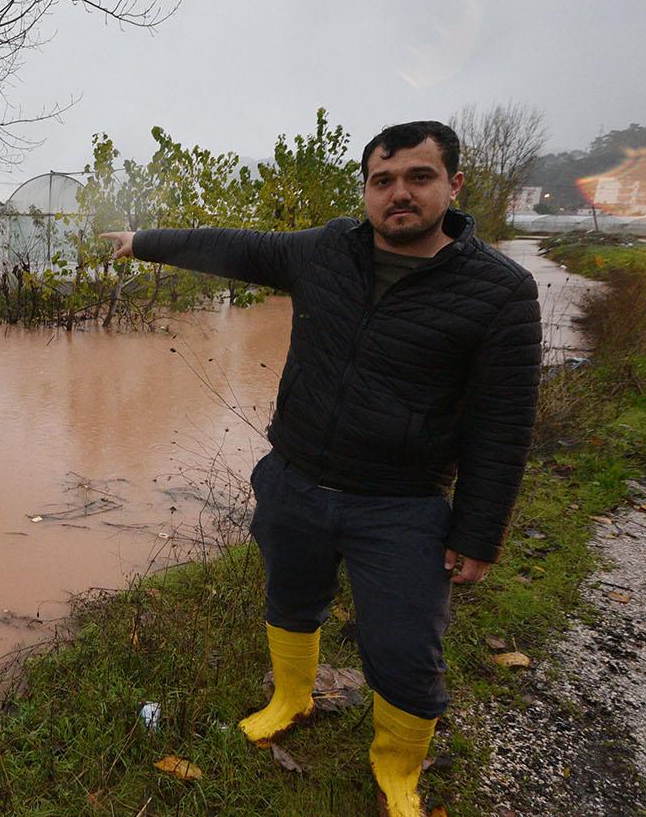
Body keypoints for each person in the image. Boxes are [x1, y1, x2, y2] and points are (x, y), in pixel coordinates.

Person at [102, 121, 541, 815]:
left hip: (401, 503)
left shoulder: (501, 291)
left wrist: (479, 532)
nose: (399, 194)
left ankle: (398, 770)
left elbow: (504, 423)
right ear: (366, 189)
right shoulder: (326, 250)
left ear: (452, 186)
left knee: (402, 648)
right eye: (383, 180)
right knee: (290, 599)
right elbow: (234, 247)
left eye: (418, 178)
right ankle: (291, 699)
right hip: (296, 480)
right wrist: (144, 242)